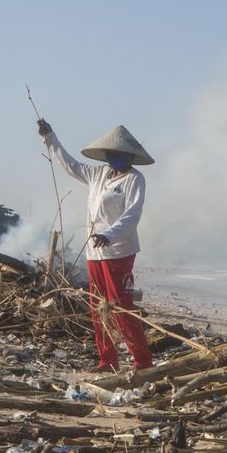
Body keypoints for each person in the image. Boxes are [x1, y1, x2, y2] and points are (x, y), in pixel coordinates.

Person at [36, 117, 155, 371]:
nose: (115, 156)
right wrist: (50, 138)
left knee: (121, 307)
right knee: (98, 308)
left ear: (129, 155)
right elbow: (70, 166)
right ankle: (107, 360)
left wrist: (109, 235)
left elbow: (131, 216)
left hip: (119, 251)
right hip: (94, 252)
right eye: (112, 153)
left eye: (120, 153)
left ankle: (142, 361)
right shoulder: (98, 174)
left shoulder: (134, 179)